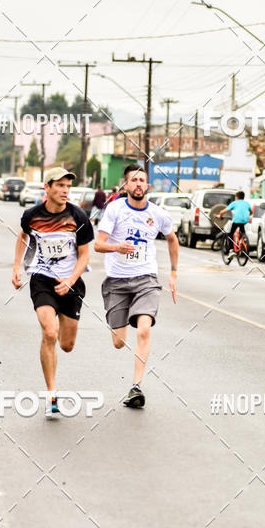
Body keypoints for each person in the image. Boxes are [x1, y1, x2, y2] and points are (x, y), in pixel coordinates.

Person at [94, 164, 178, 409]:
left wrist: (173, 272)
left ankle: (136, 386)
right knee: (119, 342)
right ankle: (122, 320)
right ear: (126, 185)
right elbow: (98, 245)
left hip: (146, 279)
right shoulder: (114, 209)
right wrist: (117, 247)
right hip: (117, 282)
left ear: (147, 185)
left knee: (144, 329)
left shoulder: (158, 214)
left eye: (142, 180)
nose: (139, 184)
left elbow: (172, 239)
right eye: (134, 180)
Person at [12, 168, 94, 418]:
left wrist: (70, 280)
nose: (65, 190)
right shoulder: (31, 215)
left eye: (68, 186)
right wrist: (17, 266)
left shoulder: (78, 216)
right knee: (49, 332)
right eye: (59, 185)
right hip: (43, 280)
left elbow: (85, 255)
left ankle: (60, 329)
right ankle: (52, 393)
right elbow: (23, 236)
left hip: (71, 282)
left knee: (66, 345)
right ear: (46, 188)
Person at [218, 190, 252, 258]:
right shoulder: (246, 203)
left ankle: (231, 250)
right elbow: (251, 212)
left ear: (236, 197)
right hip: (245, 220)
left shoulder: (235, 203)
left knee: (231, 233)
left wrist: (220, 216)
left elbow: (223, 211)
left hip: (237, 220)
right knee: (242, 231)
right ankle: (242, 242)